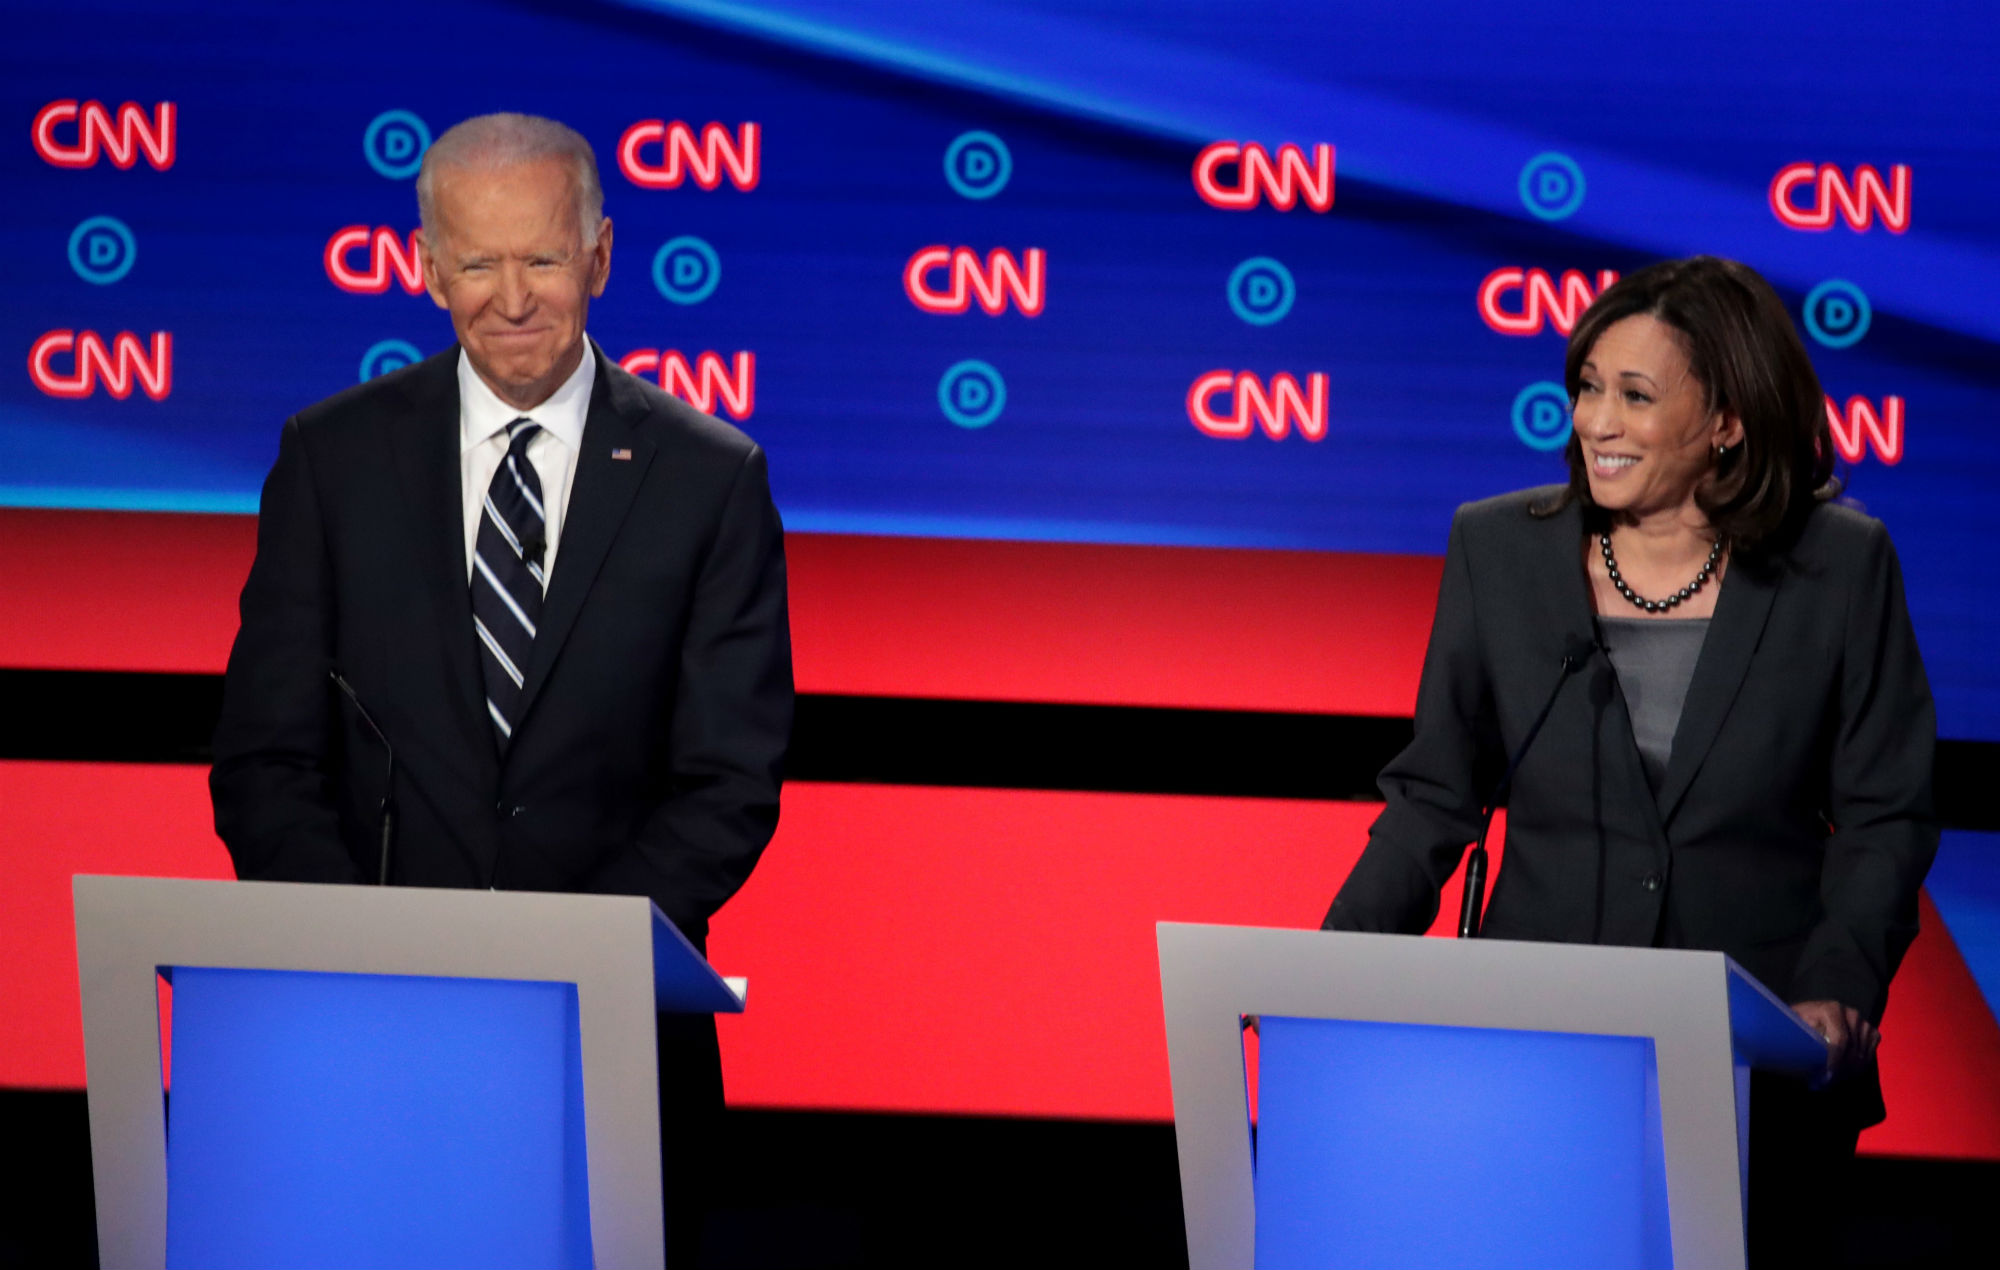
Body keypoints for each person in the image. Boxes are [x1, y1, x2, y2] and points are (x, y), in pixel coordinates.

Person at [209, 112, 794, 1259]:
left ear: (600, 257)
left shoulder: (709, 480)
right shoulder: (332, 459)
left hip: (610, 1040)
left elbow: (729, 780)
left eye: (540, 258)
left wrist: (559, 963)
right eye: (477, 262)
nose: (511, 297)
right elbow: (264, 754)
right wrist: (367, 953)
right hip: (366, 1035)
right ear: (425, 267)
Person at [1321, 256, 1936, 1263]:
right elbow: (1435, 795)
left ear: (1724, 420)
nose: (1594, 420)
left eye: (1634, 395)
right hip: (1537, 1056)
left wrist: (1838, 987)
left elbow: (1884, 816)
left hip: (1754, 1061)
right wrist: (1330, 965)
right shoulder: (1497, 553)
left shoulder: (1838, 566)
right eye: (1586, 388)